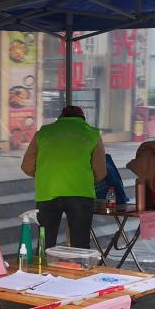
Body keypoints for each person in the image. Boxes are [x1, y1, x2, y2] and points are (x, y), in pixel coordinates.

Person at [20, 105, 106, 249]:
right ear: (83, 119)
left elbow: (27, 166)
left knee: (45, 243)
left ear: (60, 118)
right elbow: (101, 171)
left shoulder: (43, 133)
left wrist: (46, 176)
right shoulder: (93, 134)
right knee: (80, 244)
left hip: (47, 192)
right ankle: (78, 263)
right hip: (81, 193)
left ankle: (43, 263)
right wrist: (84, 179)